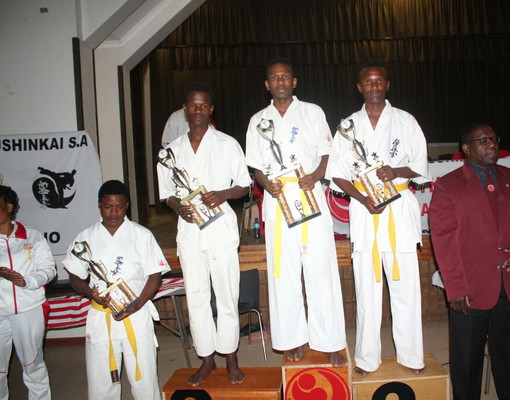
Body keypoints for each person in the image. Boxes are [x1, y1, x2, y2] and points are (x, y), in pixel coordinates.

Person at [326, 62, 430, 376]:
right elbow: (337, 174)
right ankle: (366, 359)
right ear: (359, 87)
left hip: (398, 207)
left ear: (387, 84)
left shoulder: (405, 121)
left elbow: (420, 164)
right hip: (365, 210)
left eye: (379, 81)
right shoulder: (348, 126)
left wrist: (395, 171)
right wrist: (362, 199)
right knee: (366, 290)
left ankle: (411, 356)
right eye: (368, 82)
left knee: (405, 288)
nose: (374, 86)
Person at [429, 123, 510, 400]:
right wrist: (455, 287)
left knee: (508, 358)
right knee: (467, 363)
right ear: (466, 149)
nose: (491, 144)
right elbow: (444, 241)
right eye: (482, 141)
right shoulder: (449, 186)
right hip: (470, 291)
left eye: (493, 139)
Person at [245, 58, 347, 367]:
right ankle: (294, 339)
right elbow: (256, 166)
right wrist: (266, 184)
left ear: (294, 81)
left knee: (320, 270)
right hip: (278, 201)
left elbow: (328, 153)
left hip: (309, 195)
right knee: (284, 273)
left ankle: (329, 340)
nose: (281, 81)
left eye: (285, 76)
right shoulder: (258, 120)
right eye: (275, 77)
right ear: (267, 84)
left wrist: (315, 177)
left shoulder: (312, 112)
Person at [157, 82, 251, 385]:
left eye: (203, 105)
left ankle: (231, 358)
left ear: (211, 109)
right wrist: (177, 208)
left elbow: (244, 184)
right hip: (190, 233)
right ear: (184, 109)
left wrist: (223, 194)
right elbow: (167, 193)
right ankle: (206, 359)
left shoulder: (227, 144)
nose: (198, 110)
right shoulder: (171, 151)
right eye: (192, 105)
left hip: (220, 230)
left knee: (226, 294)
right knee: (197, 297)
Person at [63, 180, 170, 400]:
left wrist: (138, 303)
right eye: (108, 207)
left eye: (119, 207)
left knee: (144, 378)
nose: (114, 213)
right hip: (101, 316)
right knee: (101, 381)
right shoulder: (85, 237)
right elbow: (74, 276)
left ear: (127, 206)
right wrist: (89, 292)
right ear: (99, 205)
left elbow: (155, 275)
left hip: (136, 313)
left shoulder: (141, 235)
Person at [0, 185, 55, 400]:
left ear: (9, 207)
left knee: (33, 365)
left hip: (29, 310)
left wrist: (26, 281)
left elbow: (48, 269)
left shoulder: (32, 236)